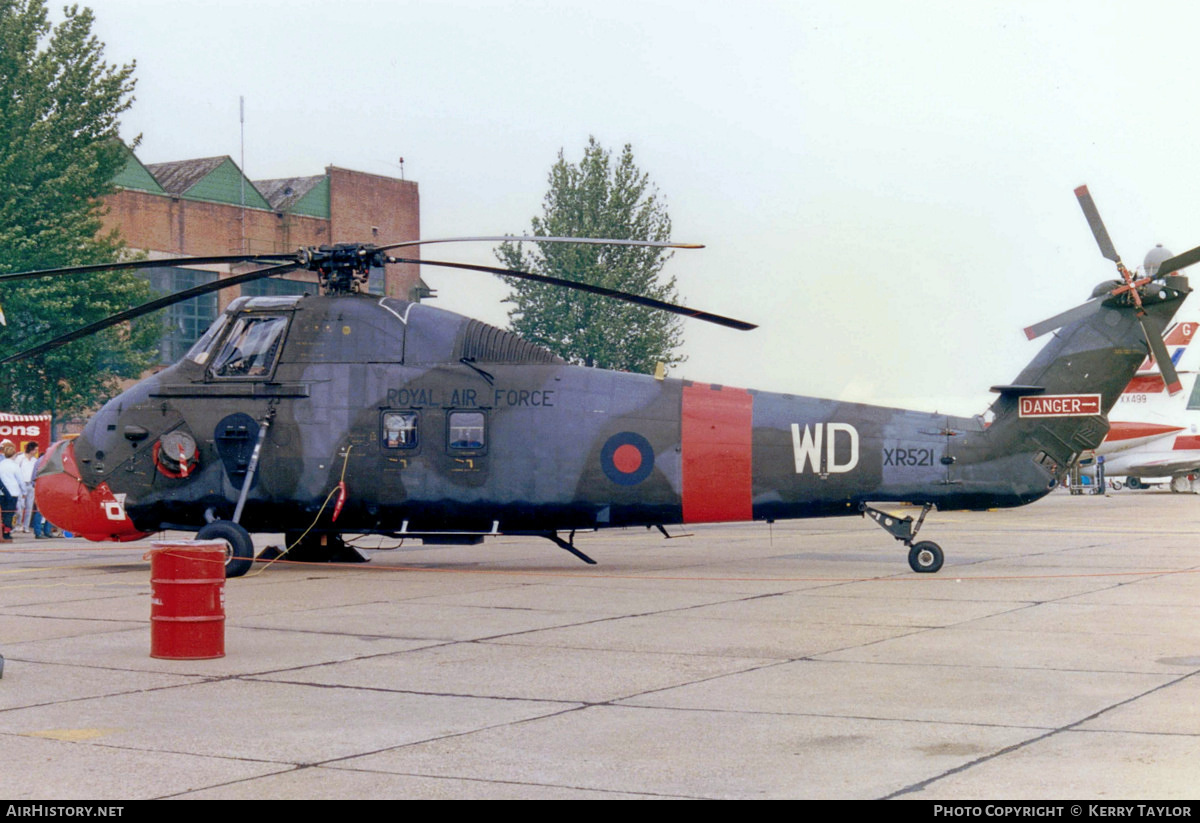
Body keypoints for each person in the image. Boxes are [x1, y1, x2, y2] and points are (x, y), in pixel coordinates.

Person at [15, 442, 37, 532]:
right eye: (35, 449)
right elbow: (16, 470)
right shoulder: (20, 458)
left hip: (30, 484)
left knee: (29, 507)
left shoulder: (34, 460)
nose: (36, 451)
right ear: (31, 449)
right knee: (20, 507)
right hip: (21, 484)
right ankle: (18, 525)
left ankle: (26, 526)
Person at [0, 441, 20, 540]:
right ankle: (6, 532)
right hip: (13, 492)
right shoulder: (15, 466)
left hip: (1, 493)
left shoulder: (1, 464)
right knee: (9, 513)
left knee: (3, 513)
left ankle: (3, 531)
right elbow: (20, 480)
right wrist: (24, 492)